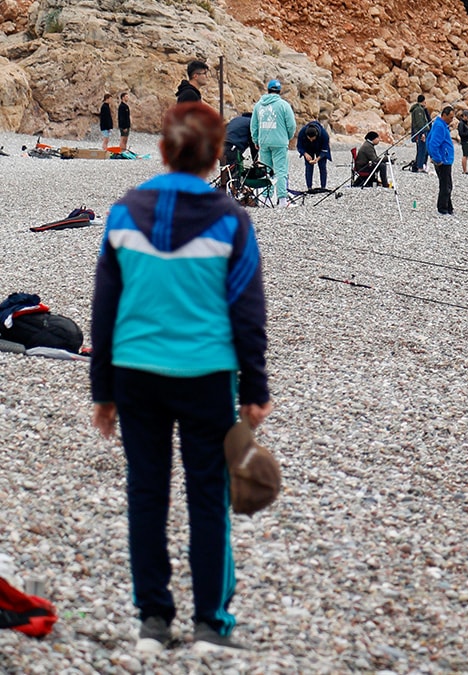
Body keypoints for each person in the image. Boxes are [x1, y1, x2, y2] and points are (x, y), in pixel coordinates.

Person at [90, 101, 272, 655]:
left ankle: (152, 619)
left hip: (137, 374)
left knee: (146, 492)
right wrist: (255, 388)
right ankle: (210, 626)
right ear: (218, 155)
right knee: (208, 495)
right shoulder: (231, 220)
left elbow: (106, 308)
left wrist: (103, 390)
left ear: (164, 149)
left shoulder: (125, 212)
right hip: (206, 376)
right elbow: (247, 311)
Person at [250, 79, 296, 206]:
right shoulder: (284, 105)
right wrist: (288, 137)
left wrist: (255, 139)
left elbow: (253, 125)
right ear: (279, 91)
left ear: (268, 90)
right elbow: (291, 125)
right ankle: (282, 199)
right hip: (280, 142)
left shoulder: (259, 105)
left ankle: (265, 199)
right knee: (280, 171)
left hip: (263, 142)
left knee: (266, 171)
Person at [427, 106, 456, 215]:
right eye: (450, 117)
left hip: (445, 159)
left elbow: (429, 140)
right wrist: (437, 159)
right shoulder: (440, 126)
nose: (451, 120)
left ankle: (448, 207)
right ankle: (443, 208)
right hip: (443, 160)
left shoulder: (441, 125)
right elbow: (433, 144)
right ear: (444, 115)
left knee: (447, 184)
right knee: (445, 185)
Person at [296, 120, 331, 191]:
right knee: (308, 167)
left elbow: (325, 149)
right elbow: (299, 146)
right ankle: (309, 187)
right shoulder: (302, 133)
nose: (311, 140)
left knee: (322, 166)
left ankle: (323, 187)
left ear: (316, 135)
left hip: (320, 148)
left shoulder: (324, 135)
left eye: (313, 138)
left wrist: (318, 158)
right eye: (309, 138)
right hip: (308, 148)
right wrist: (305, 154)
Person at [410, 94, 430, 173]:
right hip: (421, 133)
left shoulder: (421, 109)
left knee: (423, 149)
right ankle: (420, 166)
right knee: (422, 150)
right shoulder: (418, 110)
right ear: (423, 101)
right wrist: (422, 133)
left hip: (421, 133)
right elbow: (420, 123)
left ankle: (421, 165)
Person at [457, 110, 468, 175]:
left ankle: (465, 169)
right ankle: (464, 170)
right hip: (465, 141)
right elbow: (461, 133)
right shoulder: (461, 123)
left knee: (467, 156)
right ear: (463, 116)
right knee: (465, 155)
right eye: (467, 117)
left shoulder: (465, 123)